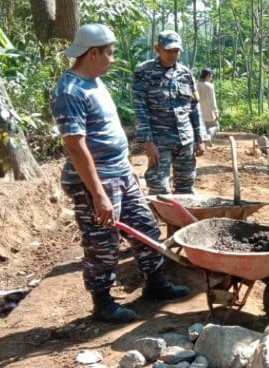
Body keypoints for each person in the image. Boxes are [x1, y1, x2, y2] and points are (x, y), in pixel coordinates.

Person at [51, 24, 190, 323]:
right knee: (103, 243)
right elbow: (76, 147)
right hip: (97, 180)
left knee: (147, 229)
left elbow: (108, 133)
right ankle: (102, 303)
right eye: (110, 54)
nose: (112, 59)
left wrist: (128, 168)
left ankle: (156, 284)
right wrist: (98, 194)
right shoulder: (70, 91)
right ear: (93, 53)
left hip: (120, 173)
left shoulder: (95, 83)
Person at [133, 30, 207, 195]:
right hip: (159, 141)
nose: (173, 54)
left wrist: (200, 137)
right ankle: (159, 220)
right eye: (169, 50)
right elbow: (140, 109)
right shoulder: (144, 72)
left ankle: (182, 221)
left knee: (186, 188)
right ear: (157, 49)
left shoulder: (185, 73)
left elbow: (195, 108)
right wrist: (148, 142)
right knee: (160, 189)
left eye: (176, 51)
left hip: (185, 140)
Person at [197, 68, 219, 142]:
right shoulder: (210, 86)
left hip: (199, 111)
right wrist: (216, 112)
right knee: (216, 127)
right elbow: (213, 100)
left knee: (203, 128)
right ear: (208, 76)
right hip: (209, 111)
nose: (211, 78)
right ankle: (208, 137)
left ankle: (204, 141)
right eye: (211, 76)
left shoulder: (197, 85)